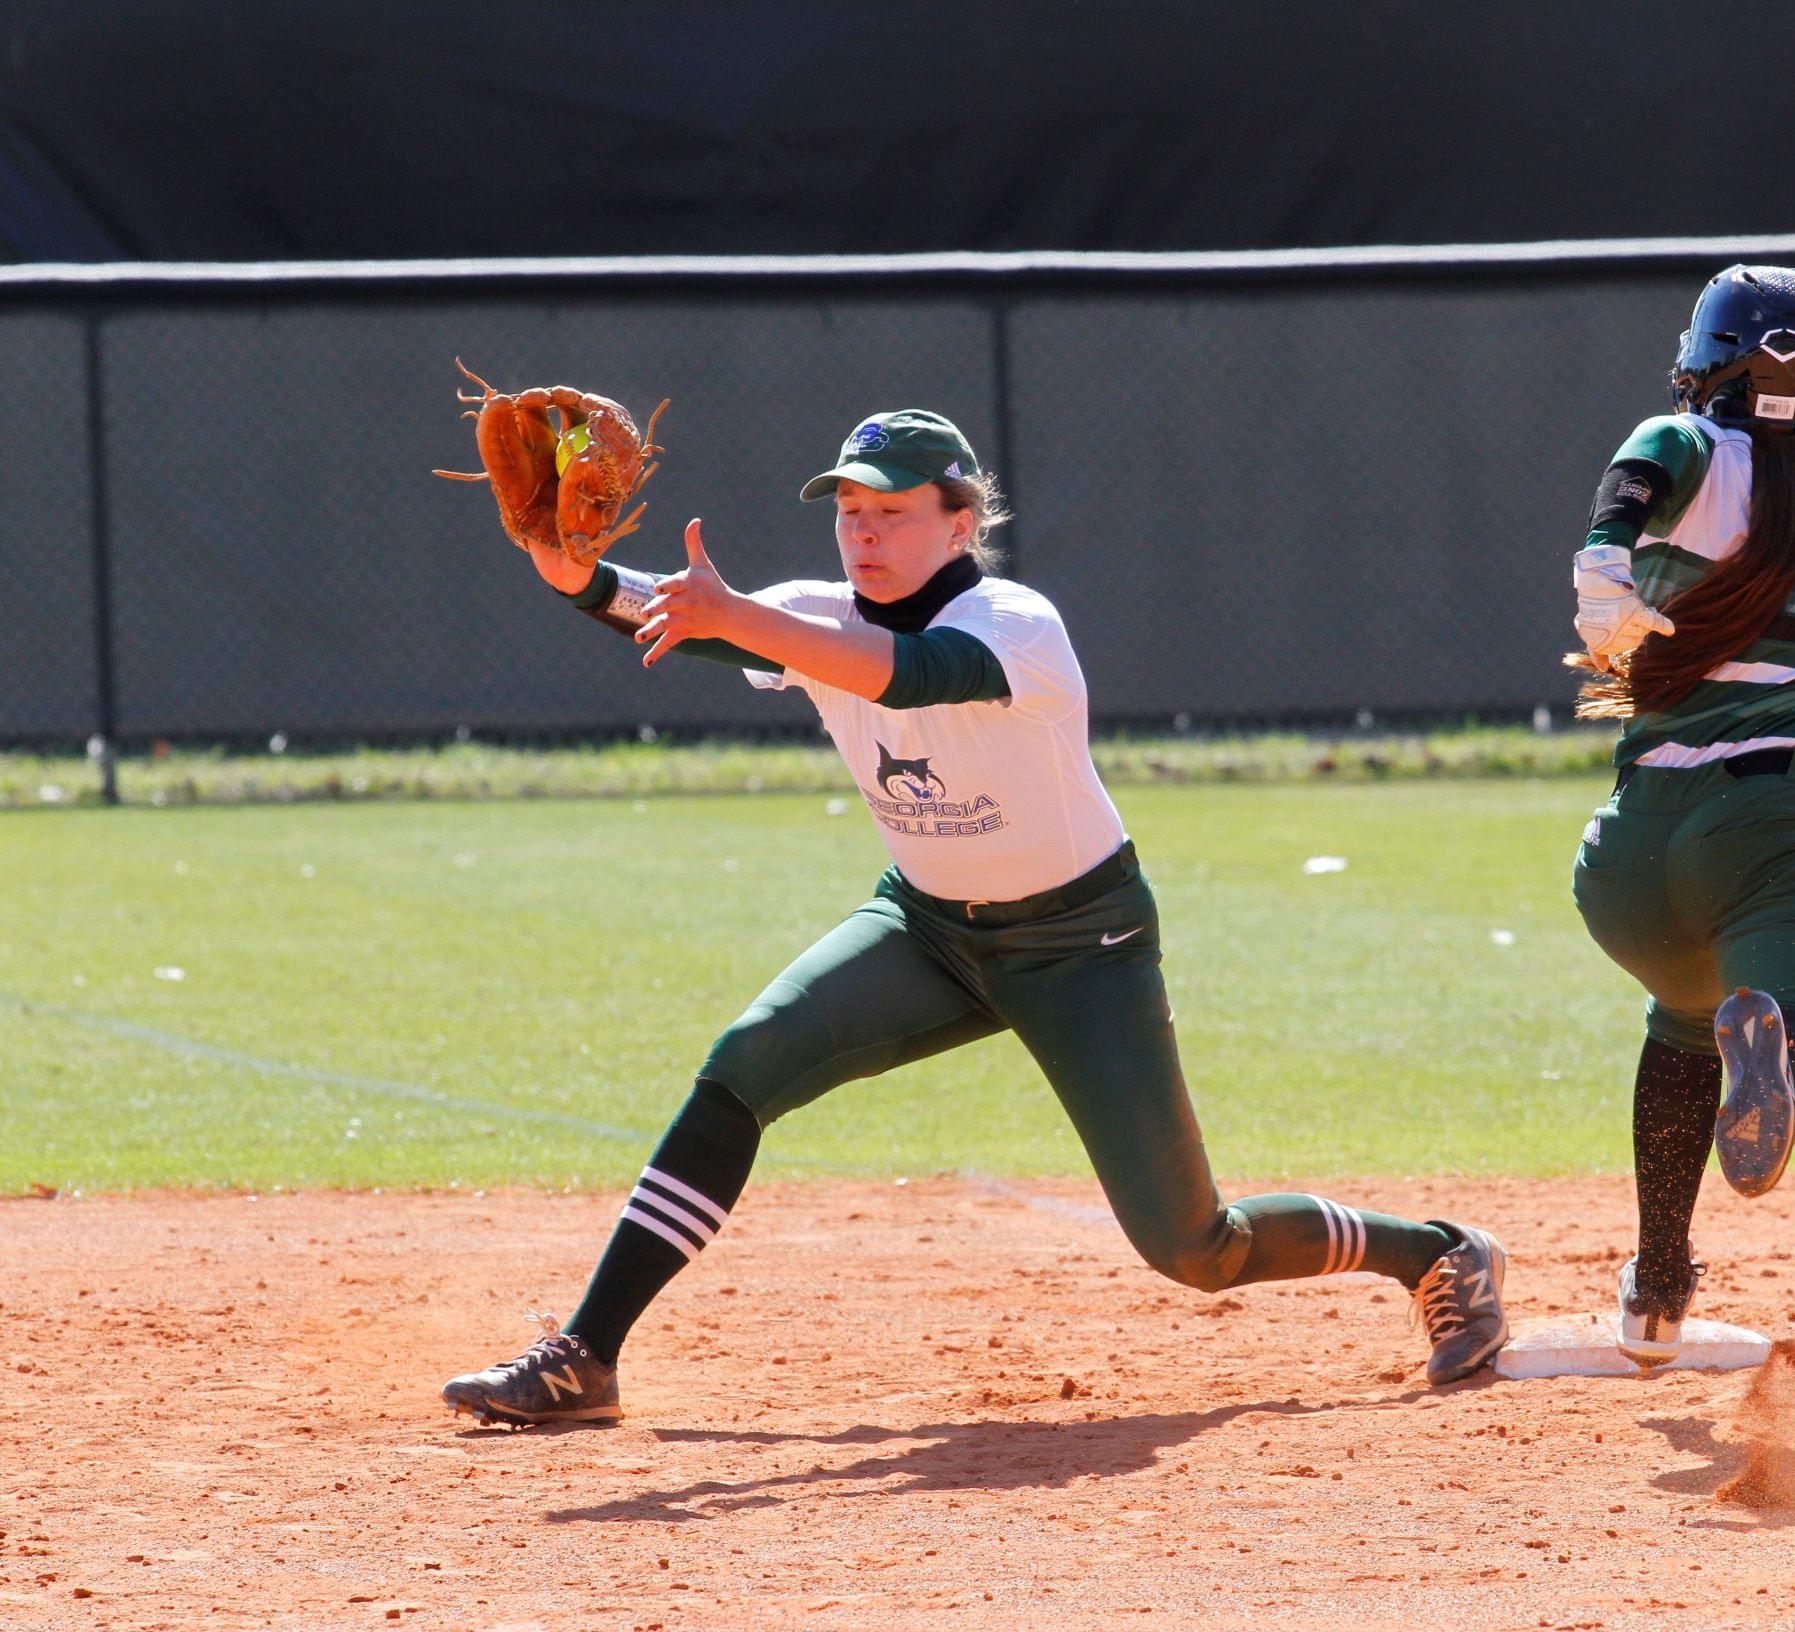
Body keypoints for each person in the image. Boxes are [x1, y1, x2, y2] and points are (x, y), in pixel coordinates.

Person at [442, 408, 1508, 1425]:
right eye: (848, 509)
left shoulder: (1014, 624)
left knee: (1195, 1250)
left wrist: (736, 616)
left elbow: (906, 680)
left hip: (1080, 944)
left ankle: (1433, 1252)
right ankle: (587, 1355)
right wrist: (573, 574)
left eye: (891, 509)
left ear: (961, 521)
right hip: (927, 931)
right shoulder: (815, 615)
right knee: (743, 1065)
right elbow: (649, 604)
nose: (862, 529)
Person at [1563, 266, 1795, 1362]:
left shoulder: (1682, 442)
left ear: (1706, 365)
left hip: (1630, 853)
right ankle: (1775, 1045)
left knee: (1682, 1014)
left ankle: (1657, 1285)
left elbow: (1636, 475)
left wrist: (1605, 567)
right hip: (1768, 824)